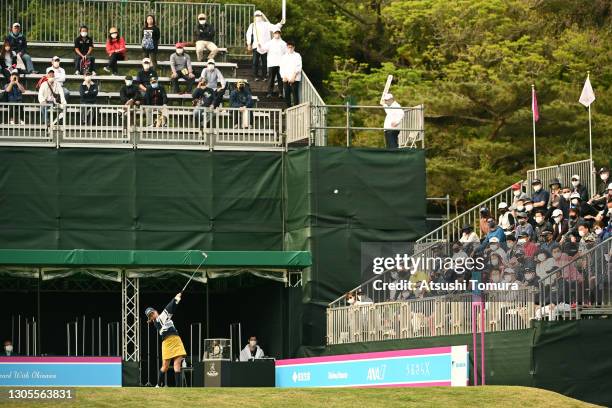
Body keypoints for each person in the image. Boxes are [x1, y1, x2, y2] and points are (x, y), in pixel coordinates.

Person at [145, 293, 187, 387]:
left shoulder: (164, 317)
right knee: (165, 366)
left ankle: (178, 388)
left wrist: (176, 300)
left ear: (155, 311)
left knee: (177, 364)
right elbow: (169, 308)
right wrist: (176, 298)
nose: (152, 315)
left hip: (176, 340)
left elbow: (170, 312)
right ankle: (159, 385)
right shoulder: (158, 321)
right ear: (150, 319)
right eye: (150, 315)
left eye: (152, 313)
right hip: (167, 342)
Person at [246, 10, 284, 81]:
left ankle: (264, 76)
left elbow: (275, 27)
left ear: (261, 16)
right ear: (254, 17)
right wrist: (249, 44)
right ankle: (255, 76)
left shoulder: (266, 24)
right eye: (256, 16)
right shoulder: (252, 25)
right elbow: (248, 34)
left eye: (259, 15)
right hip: (256, 46)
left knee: (265, 62)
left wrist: (280, 23)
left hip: (266, 46)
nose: (258, 17)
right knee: (255, 62)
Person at [264, 28, 286, 98]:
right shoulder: (269, 43)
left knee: (280, 79)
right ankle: (270, 93)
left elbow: (286, 53)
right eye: (276, 33)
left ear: (280, 34)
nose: (277, 34)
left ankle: (280, 93)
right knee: (271, 79)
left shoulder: (283, 43)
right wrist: (259, 46)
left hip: (281, 64)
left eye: (278, 33)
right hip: (272, 63)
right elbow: (263, 50)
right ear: (273, 34)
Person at [280, 41, 302, 108]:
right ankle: (288, 107)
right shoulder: (283, 57)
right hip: (286, 78)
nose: (290, 48)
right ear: (287, 47)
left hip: (295, 78)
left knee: (295, 94)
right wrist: (284, 76)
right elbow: (282, 67)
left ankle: (295, 108)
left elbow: (299, 66)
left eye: (291, 47)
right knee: (287, 93)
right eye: (288, 47)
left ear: (294, 47)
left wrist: (294, 76)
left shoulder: (297, 55)